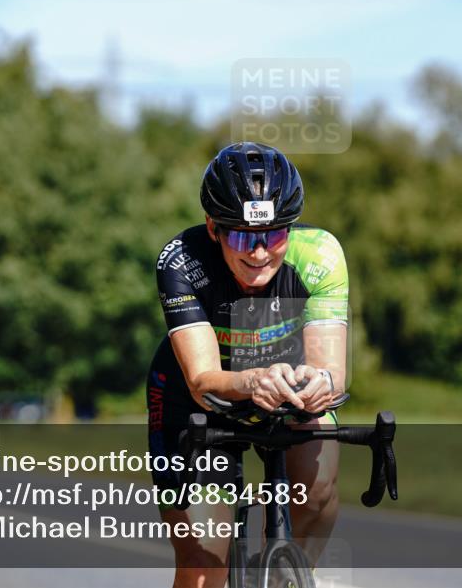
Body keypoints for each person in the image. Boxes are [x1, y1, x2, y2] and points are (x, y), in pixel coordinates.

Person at [148, 142, 348, 588]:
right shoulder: (183, 261)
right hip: (200, 400)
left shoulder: (320, 255)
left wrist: (321, 383)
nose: (259, 253)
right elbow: (202, 381)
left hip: (286, 389)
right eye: (241, 236)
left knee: (317, 489)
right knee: (205, 558)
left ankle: (290, 577)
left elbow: (331, 372)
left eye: (275, 235)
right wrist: (253, 379)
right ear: (213, 228)